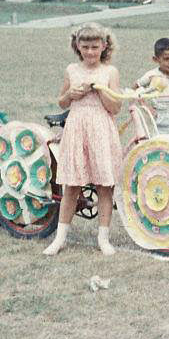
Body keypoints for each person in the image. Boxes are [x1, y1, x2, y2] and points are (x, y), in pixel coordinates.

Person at [43, 23, 123, 257]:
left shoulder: (110, 72)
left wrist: (101, 91)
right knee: (72, 186)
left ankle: (103, 238)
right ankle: (59, 238)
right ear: (77, 46)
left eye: (94, 47)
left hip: (101, 129)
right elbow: (62, 101)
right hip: (77, 129)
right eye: (85, 47)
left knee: (104, 186)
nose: (89, 52)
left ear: (104, 46)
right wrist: (71, 94)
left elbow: (115, 107)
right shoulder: (72, 70)